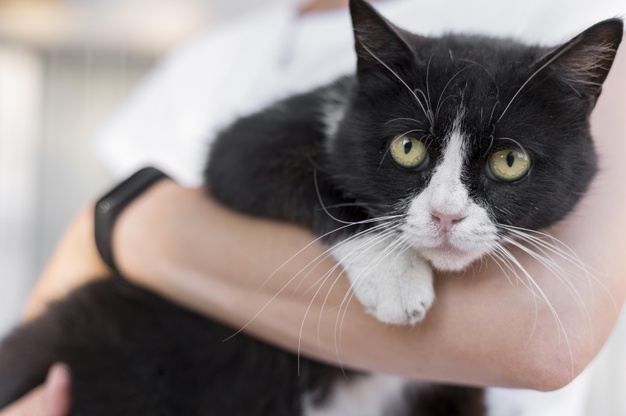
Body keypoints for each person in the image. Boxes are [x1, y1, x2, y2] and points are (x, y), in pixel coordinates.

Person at [4, 0, 626, 414]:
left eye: (506, 163)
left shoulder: (569, 12)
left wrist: (129, 224)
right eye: (409, 149)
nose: (447, 210)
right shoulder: (220, 54)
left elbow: (546, 345)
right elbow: (89, 253)